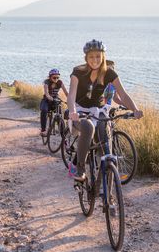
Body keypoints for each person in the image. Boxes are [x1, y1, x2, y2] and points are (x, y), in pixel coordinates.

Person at [67, 39, 143, 182]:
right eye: (91, 56)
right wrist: (72, 111)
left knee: (105, 148)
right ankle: (80, 168)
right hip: (79, 111)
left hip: (99, 112)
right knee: (88, 127)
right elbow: (71, 95)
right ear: (86, 58)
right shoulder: (78, 72)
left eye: (98, 56)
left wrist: (135, 109)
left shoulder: (109, 73)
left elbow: (123, 94)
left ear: (103, 57)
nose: (95, 60)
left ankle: (106, 192)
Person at [40, 68, 69, 136]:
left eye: (57, 77)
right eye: (54, 77)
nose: (56, 79)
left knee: (59, 114)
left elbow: (66, 93)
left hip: (55, 98)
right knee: (44, 110)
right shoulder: (46, 82)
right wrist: (50, 98)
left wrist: (70, 99)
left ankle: (62, 131)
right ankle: (43, 130)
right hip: (46, 99)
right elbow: (46, 93)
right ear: (50, 77)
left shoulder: (60, 82)